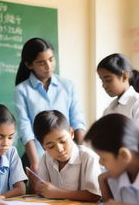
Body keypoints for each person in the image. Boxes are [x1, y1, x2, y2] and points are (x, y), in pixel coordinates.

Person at [14, 37, 86, 173]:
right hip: (38, 153)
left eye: (51, 59)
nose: (48, 66)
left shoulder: (68, 86)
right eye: (41, 62)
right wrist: (35, 162)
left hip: (67, 151)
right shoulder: (22, 90)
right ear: (29, 65)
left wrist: (83, 152)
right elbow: (25, 127)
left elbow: (77, 120)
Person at [30, 110, 101, 202]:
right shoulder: (45, 158)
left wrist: (58, 193)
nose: (59, 149)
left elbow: (95, 195)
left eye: (63, 141)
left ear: (71, 133)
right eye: (51, 146)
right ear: (43, 146)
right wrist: (39, 188)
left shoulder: (88, 157)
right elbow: (44, 191)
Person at [97, 53, 139, 134]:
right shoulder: (109, 108)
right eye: (102, 80)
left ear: (124, 76)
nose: (104, 85)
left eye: (108, 80)